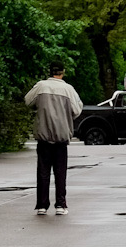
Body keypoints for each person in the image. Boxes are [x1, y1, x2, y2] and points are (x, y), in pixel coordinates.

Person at [25, 62, 84, 216]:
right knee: (60, 172)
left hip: (43, 135)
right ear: (63, 72)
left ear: (50, 72)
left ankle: (42, 205)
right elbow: (77, 110)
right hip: (61, 136)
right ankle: (60, 204)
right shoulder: (68, 89)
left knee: (43, 171)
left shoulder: (40, 86)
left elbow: (28, 101)